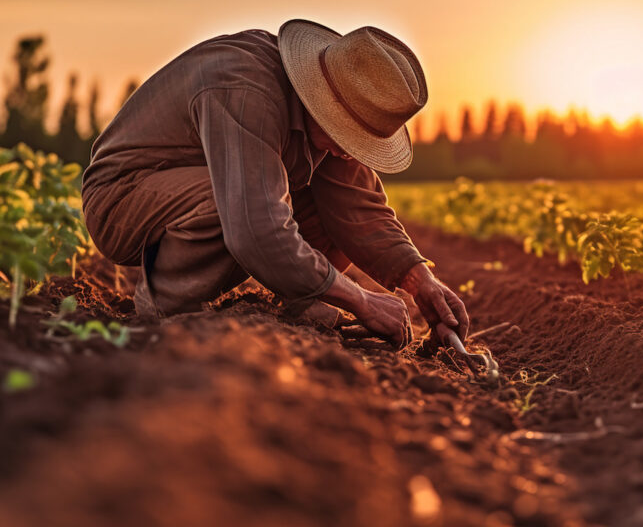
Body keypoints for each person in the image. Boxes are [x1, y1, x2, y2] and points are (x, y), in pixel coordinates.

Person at [81, 19, 468, 349]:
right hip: (122, 198)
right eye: (351, 138)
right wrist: (361, 300)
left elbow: (360, 209)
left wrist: (420, 282)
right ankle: (166, 314)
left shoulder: (330, 118)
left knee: (329, 210)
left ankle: (304, 304)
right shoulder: (246, 91)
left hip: (198, 189)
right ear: (324, 103)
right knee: (238, 197)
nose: (352, 153)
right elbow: (255, 227)